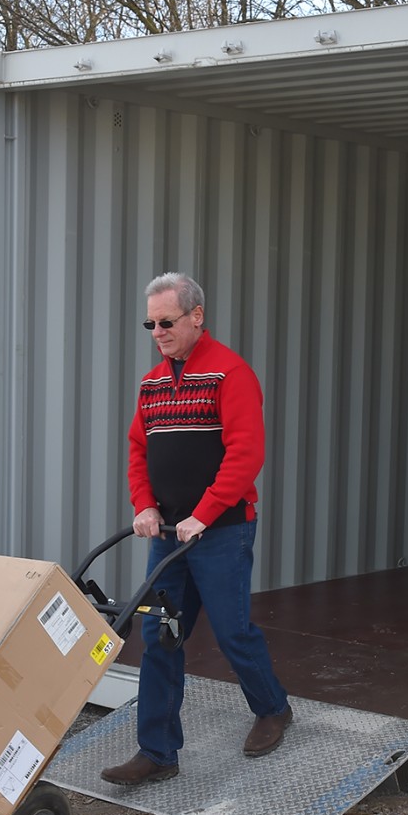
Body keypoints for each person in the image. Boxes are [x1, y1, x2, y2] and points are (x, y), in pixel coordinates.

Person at [101, 272, 292, 786]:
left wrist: (203, 513)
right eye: (150, 323)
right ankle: (158, 752)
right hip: (168, 536)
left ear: (196, 316)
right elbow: (138, 452)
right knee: (159, 634)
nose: (157, 331)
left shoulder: (231, 374)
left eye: (166, 321)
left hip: (222, 531)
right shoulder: (152, 384)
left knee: (232, 631)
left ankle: (273, 707)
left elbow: (245, 454)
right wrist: (145, 505)